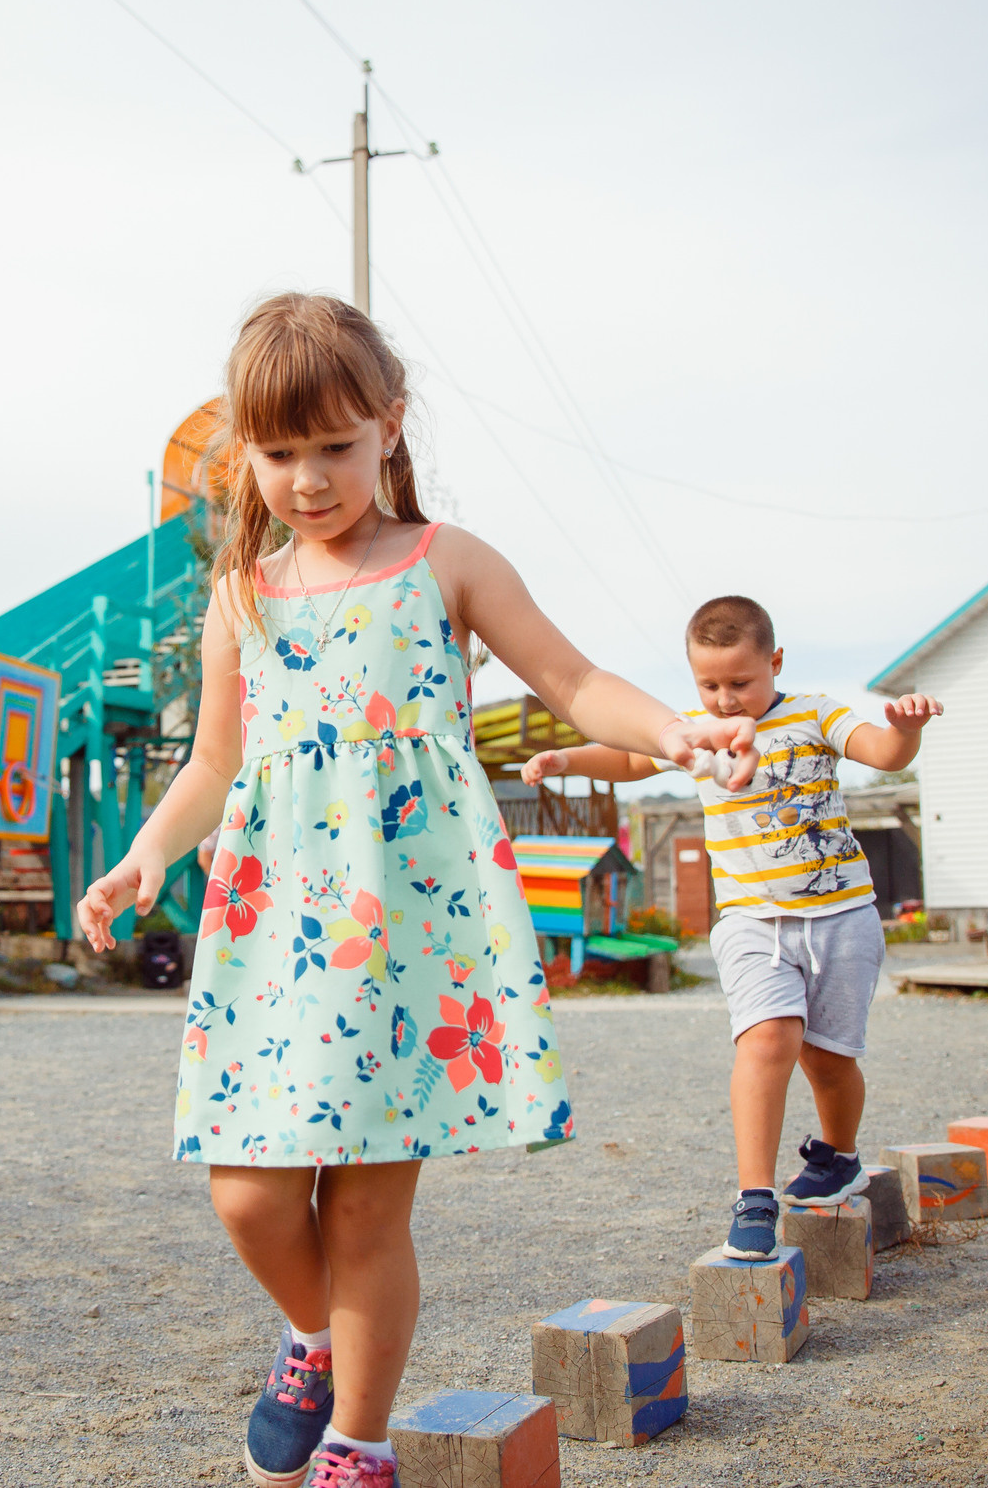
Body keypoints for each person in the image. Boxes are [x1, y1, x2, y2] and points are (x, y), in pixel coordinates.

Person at [71, 293, 739, 1488]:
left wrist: (673, 732)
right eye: (278, 454)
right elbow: (215, 763)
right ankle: (311, 1339)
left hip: (409, 933)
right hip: (276, 925)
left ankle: (357, 1444)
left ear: (390, 425)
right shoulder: (241, 594)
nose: (308, 478)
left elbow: (574, 677)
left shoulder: (449, 564)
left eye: (333, 445)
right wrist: (144, 855)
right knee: (249, 1196)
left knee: (370, 1211)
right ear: (246, 455)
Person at [517, 595, 941, 1262]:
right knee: (769, 1038)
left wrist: (904, 727)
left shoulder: (814, 713)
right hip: (751, 919)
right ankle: (755, 1197)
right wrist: (565, 761)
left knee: (829, 1059)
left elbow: (884, 753)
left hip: (840, 916)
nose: (724, 699)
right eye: (708, 684)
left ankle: (838, 1155)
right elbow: (629, 760)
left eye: (740, 682)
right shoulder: (693, 732)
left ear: (773, 662)